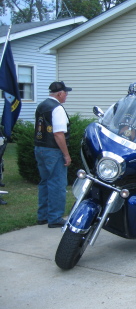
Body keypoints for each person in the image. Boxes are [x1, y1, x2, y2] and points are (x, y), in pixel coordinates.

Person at [34, 81, 72, 228]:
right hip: (53, 150)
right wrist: (66, 154)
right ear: (60, 94)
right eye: (66, 93)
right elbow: (58, 134)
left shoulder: (42, 106)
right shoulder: (57, 108)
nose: (66, 96)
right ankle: (55, 217)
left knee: (44, 182)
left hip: (39, 147)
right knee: (57, 183)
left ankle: (42, 216)